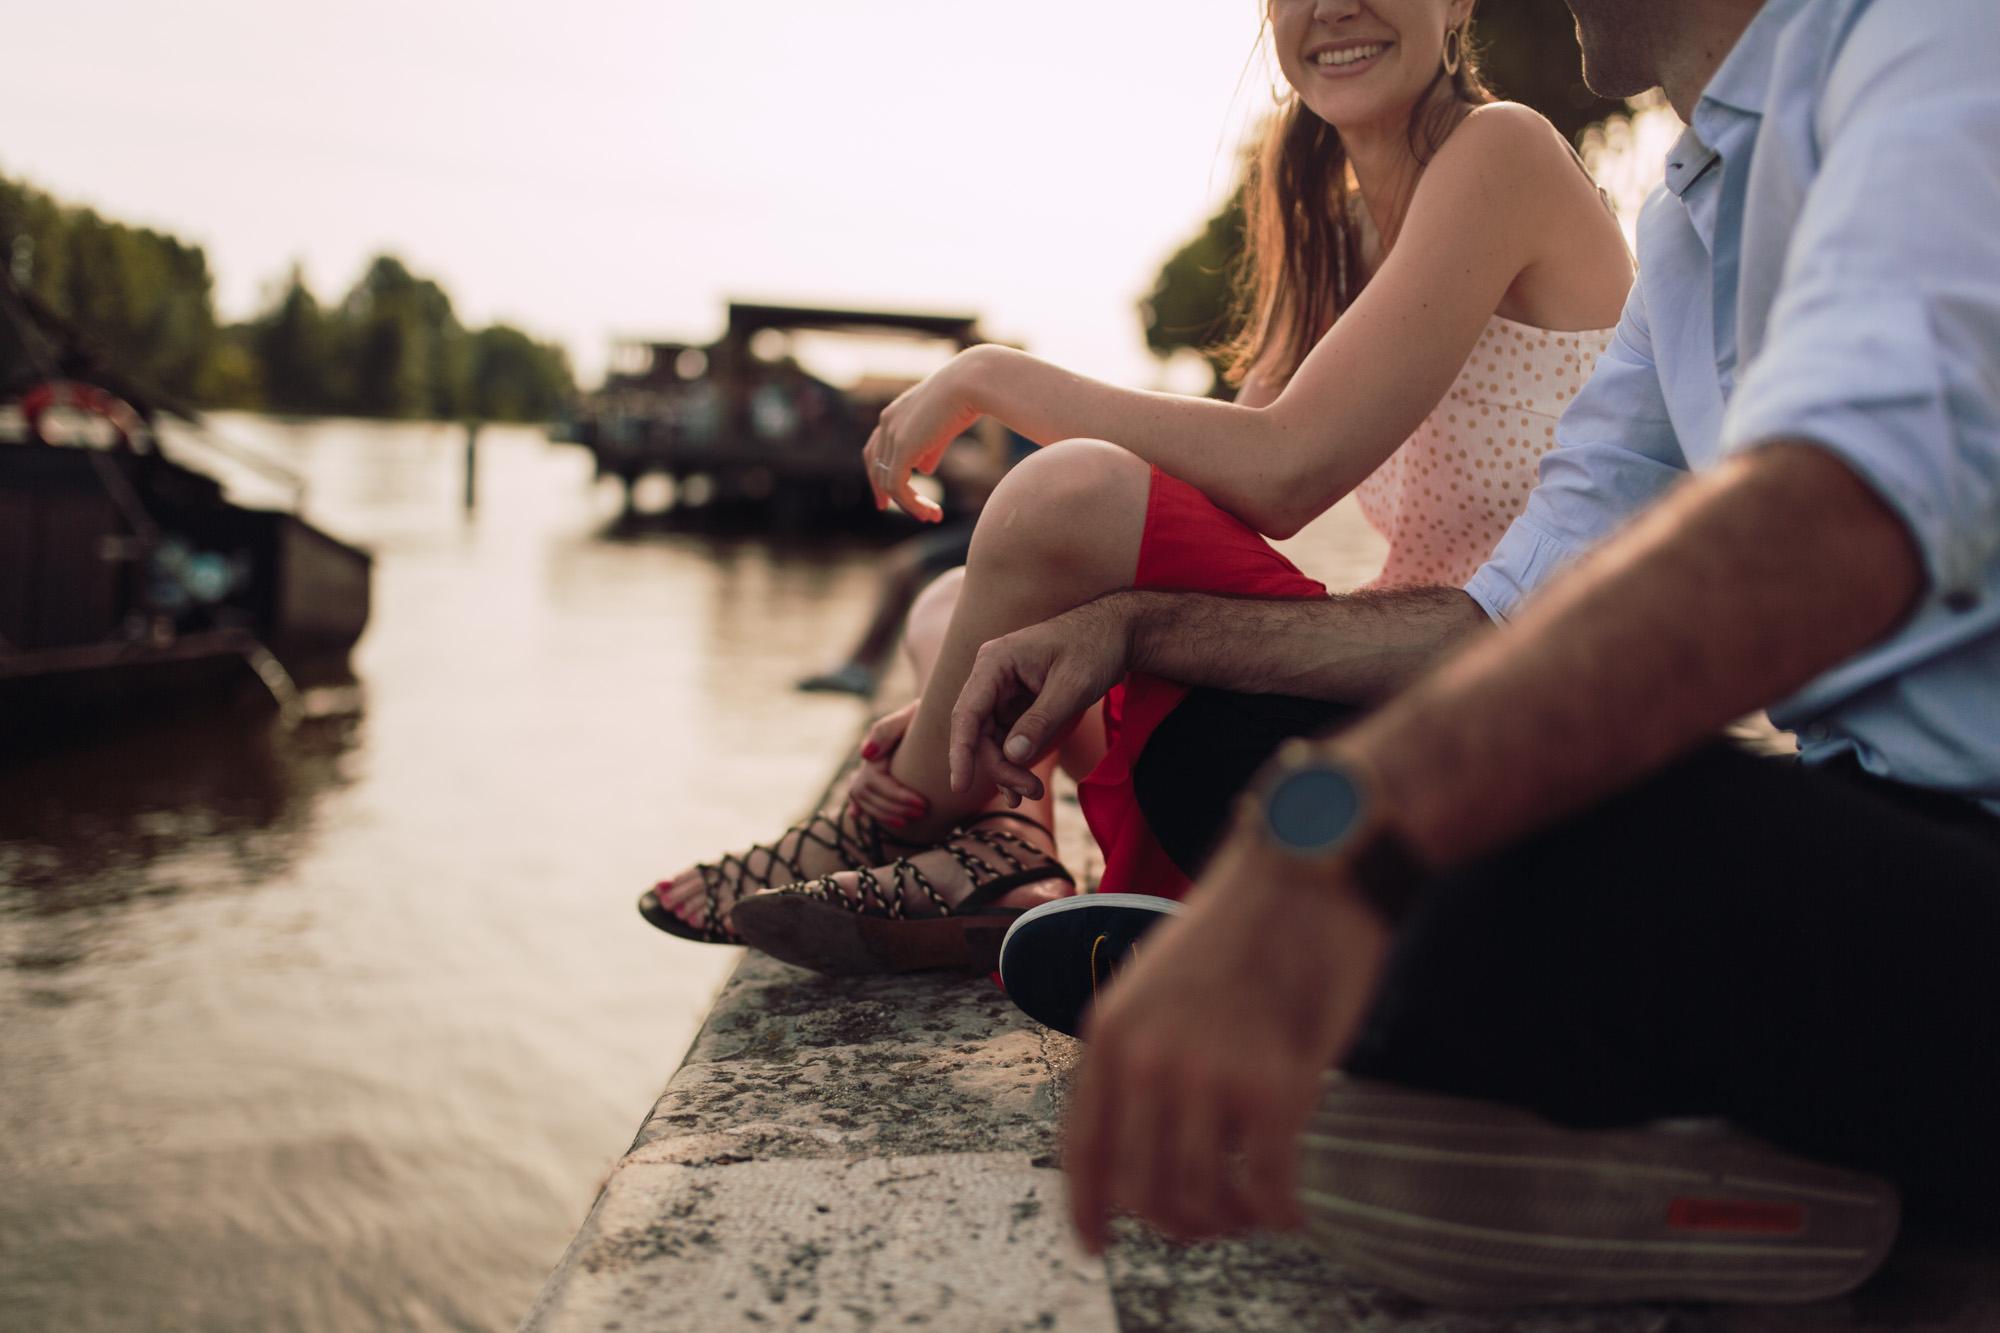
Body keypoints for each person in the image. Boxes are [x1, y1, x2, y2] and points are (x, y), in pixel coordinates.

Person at [952, 0, 2000, 1306]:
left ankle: (1566, 1094)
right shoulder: (1690, 215)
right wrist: (1140, 628)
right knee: (1242, 746)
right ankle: (1585, 1094)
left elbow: (1834, 520)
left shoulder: (1939, 37)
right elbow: (1495, 619)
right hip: (1870, 839)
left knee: (1520, 853)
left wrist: (1349, 838)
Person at [638, 0, 1633, 971]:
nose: (1334, 9)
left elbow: (1281, 470)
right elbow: (1219, 479)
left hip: (1501, 709)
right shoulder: (1334, 229)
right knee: (957, 607)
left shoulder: (1503, 152)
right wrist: (963, 684)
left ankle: (908, 804)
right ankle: (1007, 851)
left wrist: (996, 379)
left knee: (1061, 496)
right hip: (1384, 668)